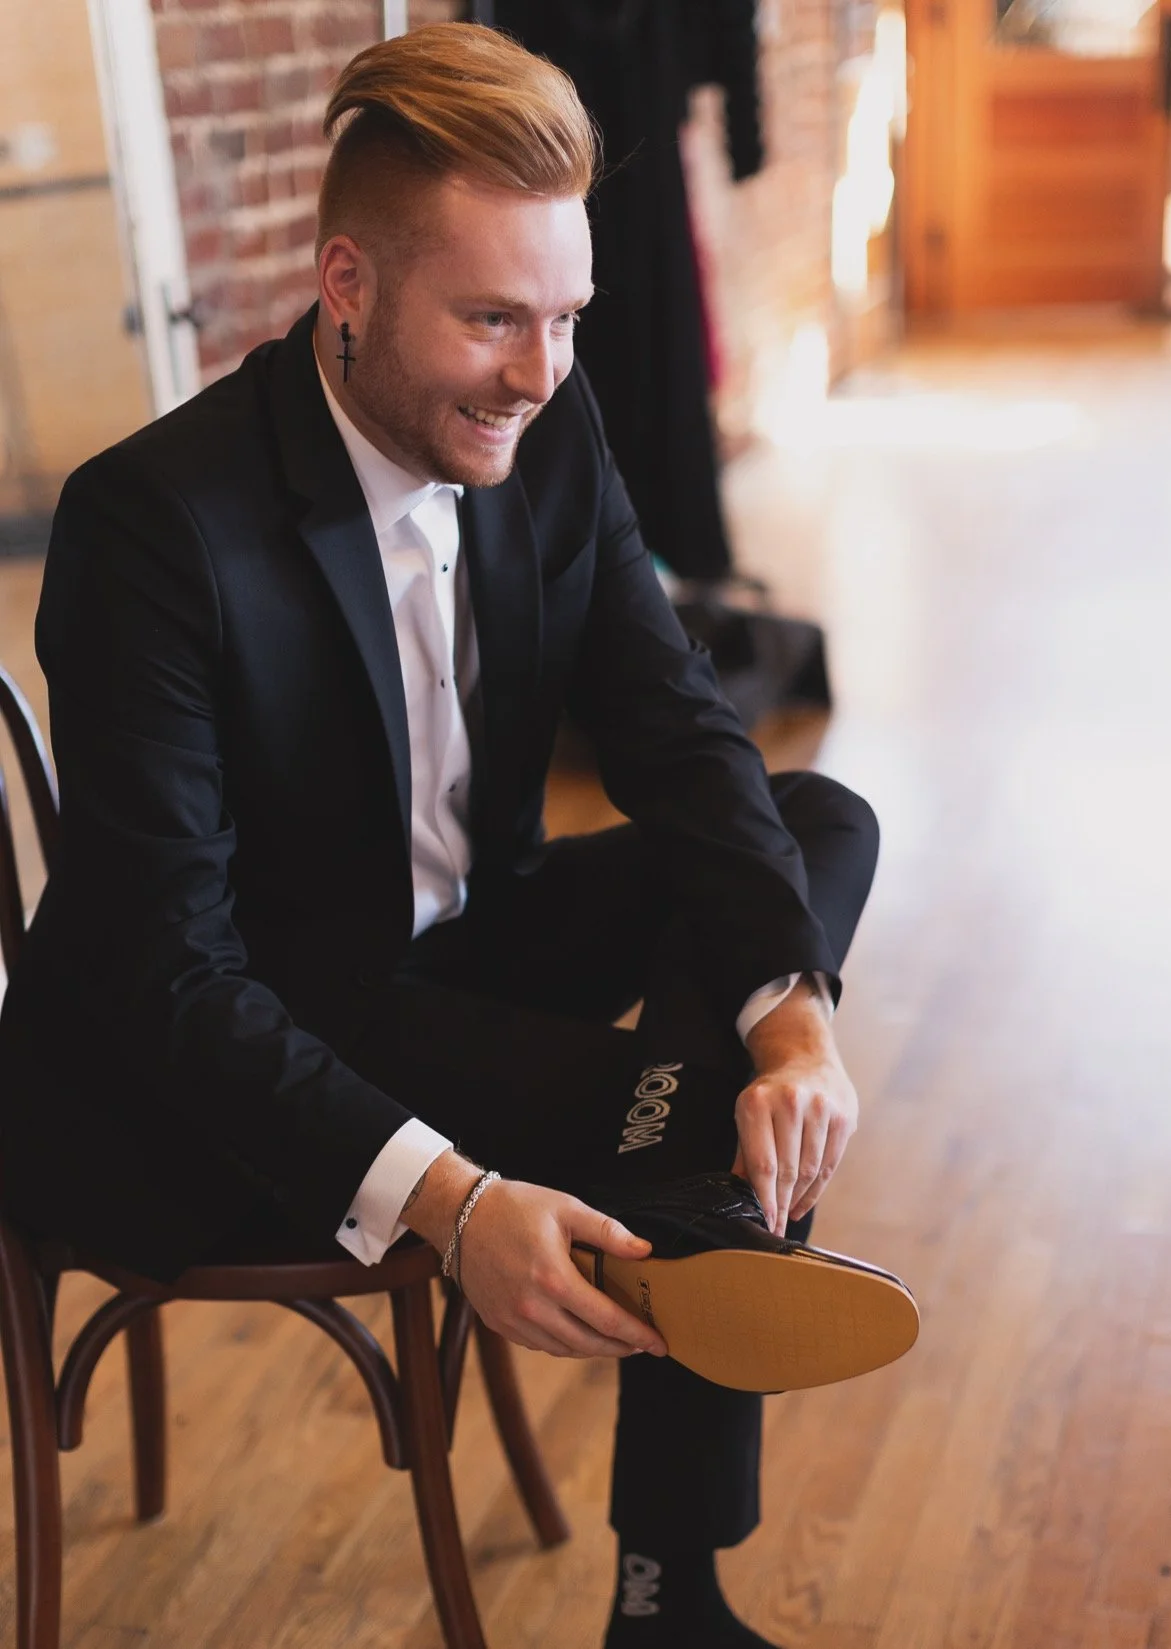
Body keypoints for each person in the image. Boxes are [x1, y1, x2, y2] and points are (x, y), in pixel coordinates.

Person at [0, 24, 881, 1647]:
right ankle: (664, 1590)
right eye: (490, 319)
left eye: (565, 320)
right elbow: (162, 970)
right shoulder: (155, 528)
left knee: (810, 826)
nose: (539, 376)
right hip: (236, 1036)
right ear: (346, 283)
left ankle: (683, 1199)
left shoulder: (546, 425)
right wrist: (454, 1206)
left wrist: (792, 1022)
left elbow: (678, 727)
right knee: (680, 1140)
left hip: (459, 937)